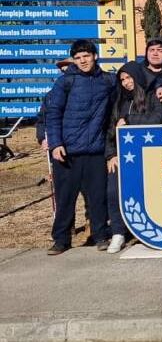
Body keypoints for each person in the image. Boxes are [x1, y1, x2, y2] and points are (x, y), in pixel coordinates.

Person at [44, 40, 116, 255]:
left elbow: (130, 85)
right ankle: (61, 240)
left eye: (86, 55)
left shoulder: (108, 81)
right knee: (65, 198)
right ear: (74, 60)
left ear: (95, 56)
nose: (83, 60)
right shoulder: (65, 82)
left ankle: (101, 235)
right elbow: (53, 114)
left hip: (95, 151)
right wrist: (56, 144)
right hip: (67, 152)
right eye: (78, 57)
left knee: (97, 198)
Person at [105, 61, 162, 253]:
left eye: (128, 77)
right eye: (122, 79)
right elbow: (110, 130)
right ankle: (118, 232)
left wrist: (131, 121)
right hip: (122, 157)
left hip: (149, 157)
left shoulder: (153, 96)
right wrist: (111, 155)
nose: (125, 82)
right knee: (113, 191)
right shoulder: (119, 101)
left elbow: (158, 119)